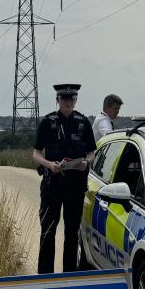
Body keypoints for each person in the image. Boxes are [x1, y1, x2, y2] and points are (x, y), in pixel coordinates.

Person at [32, 83, 96, 274]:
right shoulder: (47, 122)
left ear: (75, 100)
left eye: (71, 99)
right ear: (57, 100)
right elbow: (35, 154)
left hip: (75, 185)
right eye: (64, 99)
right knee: (48, 230)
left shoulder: (83, 122)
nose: (68, 102)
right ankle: (45, 276)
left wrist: (86, 161)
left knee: (72, 232)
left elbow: (92, 152)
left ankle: (69, 275)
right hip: (53, 184)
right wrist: (49, 165)